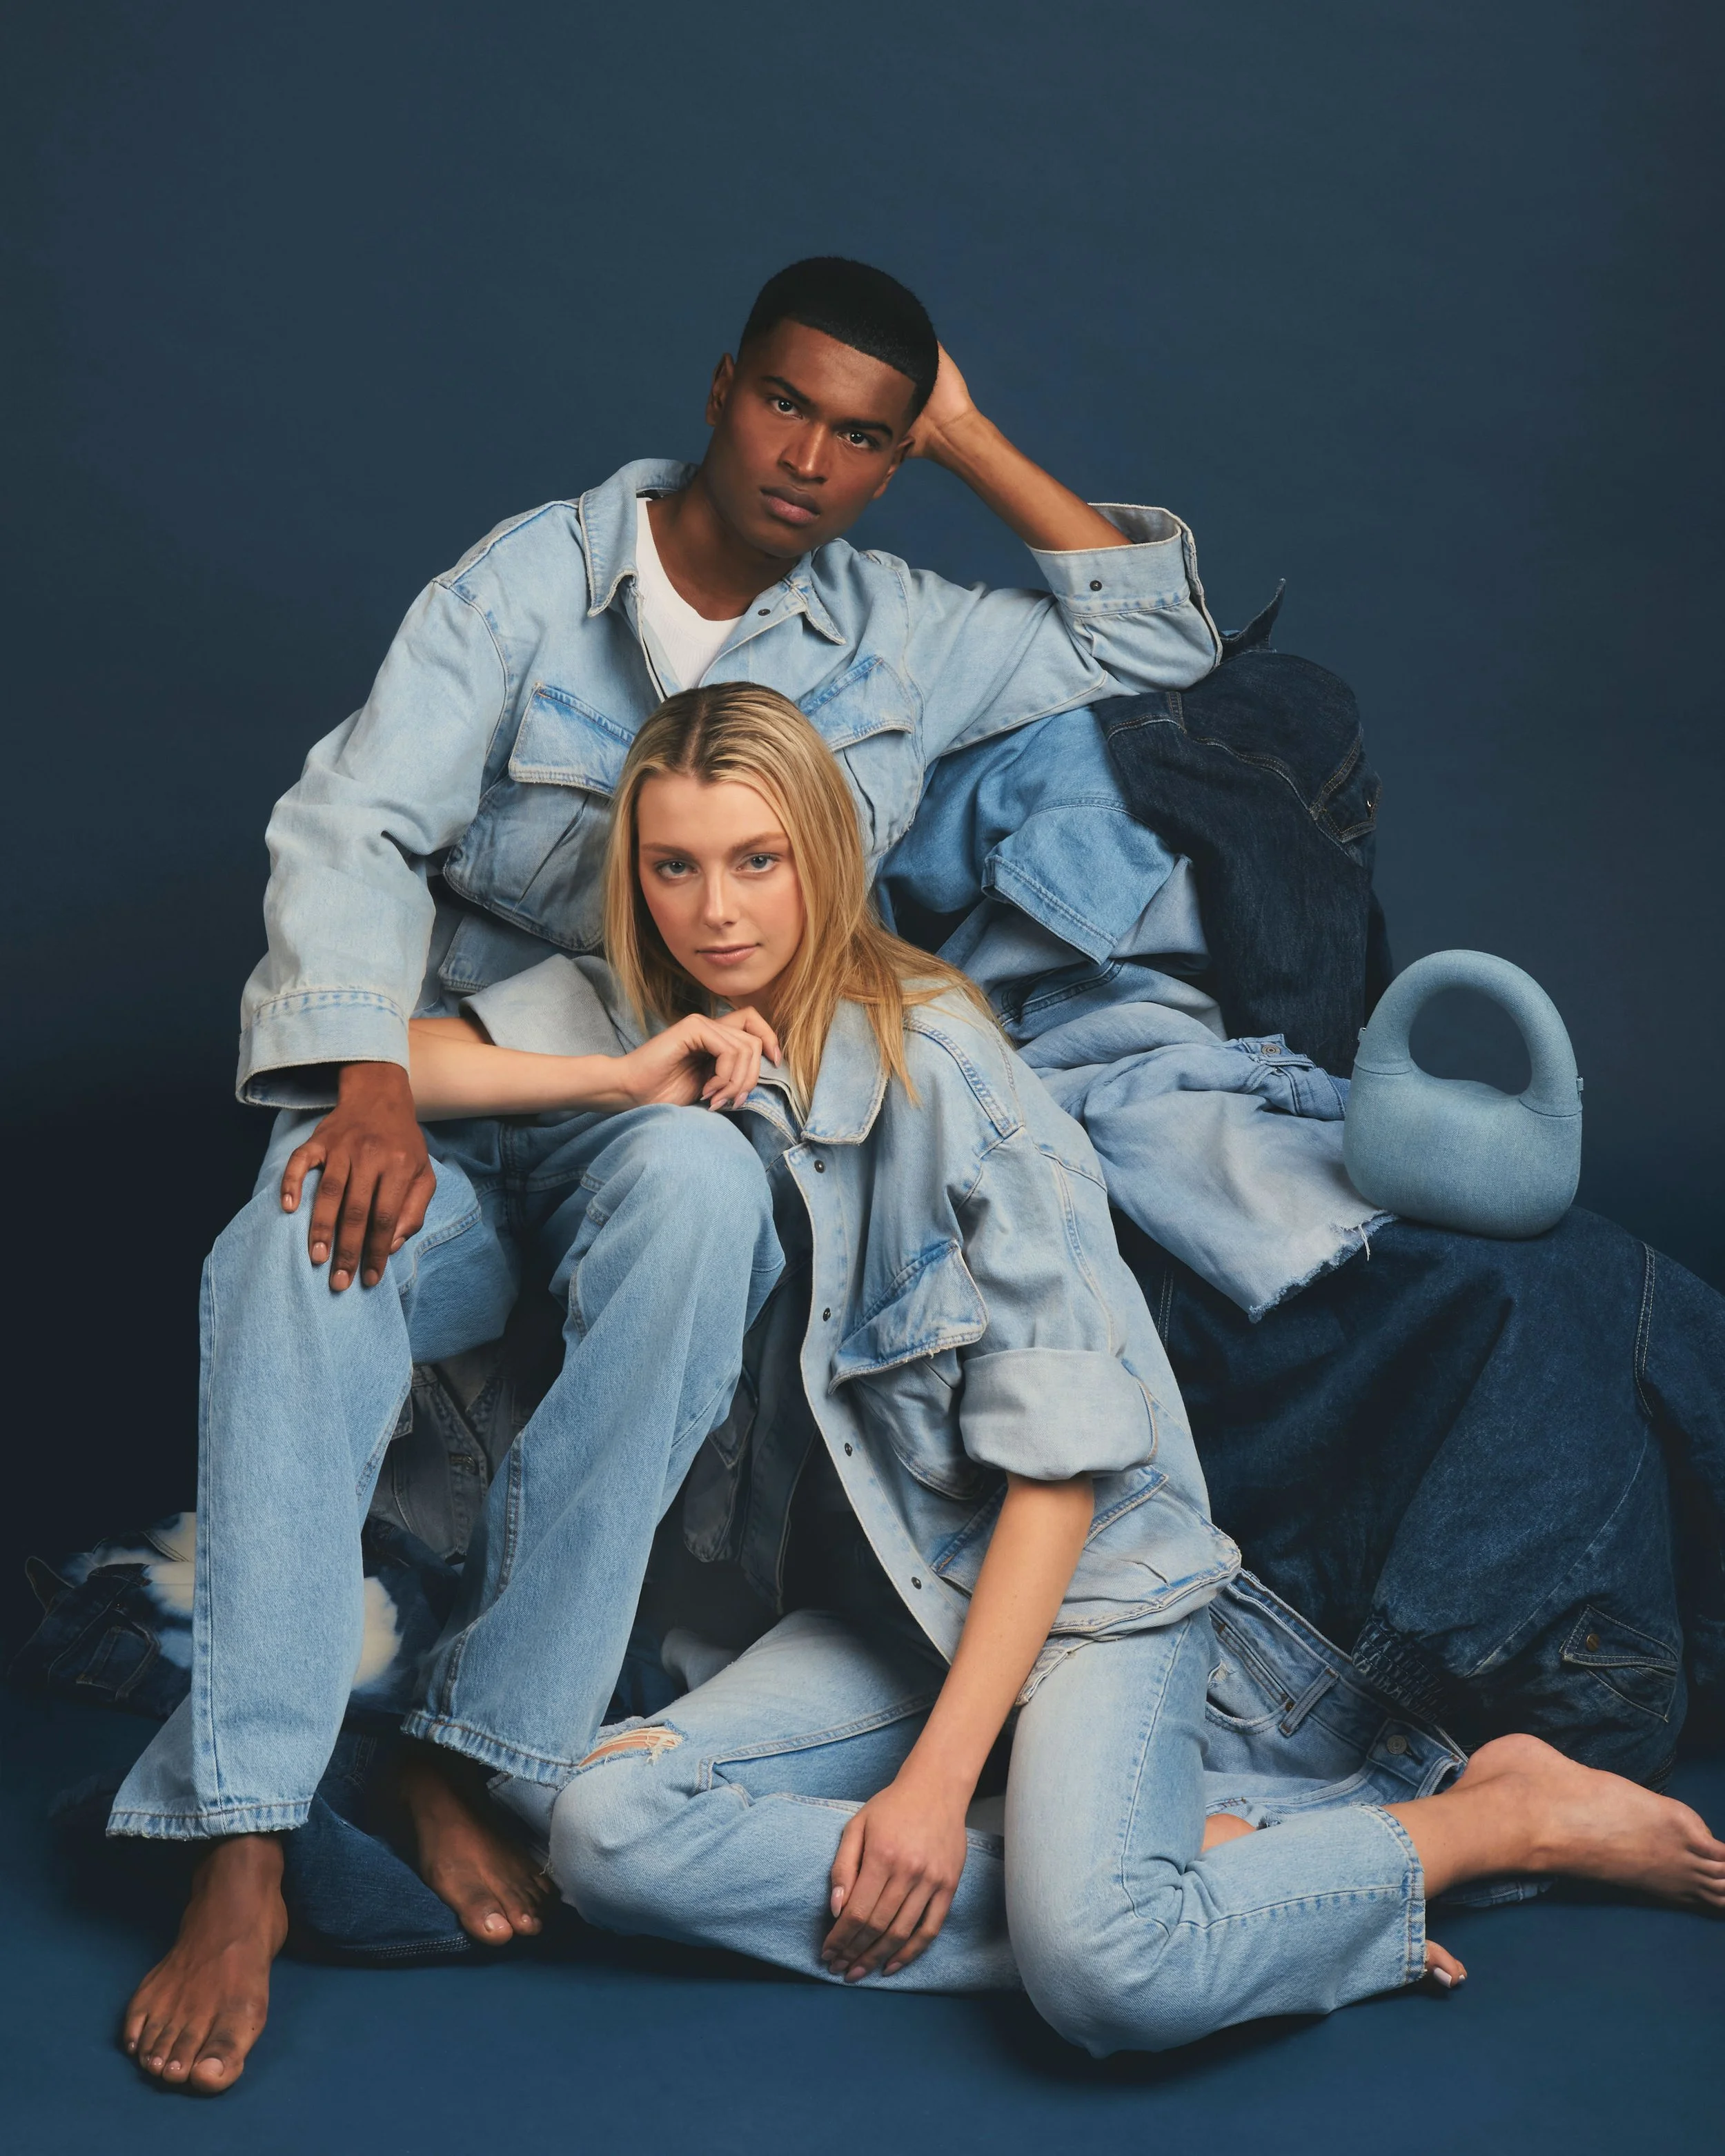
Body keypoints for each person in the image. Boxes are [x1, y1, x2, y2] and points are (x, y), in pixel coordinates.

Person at [113, 255, 1223, 2094]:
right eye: (787, 404)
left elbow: (1156, 641)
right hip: (447, 1073)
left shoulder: (898, 632)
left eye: (862, 436)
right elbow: (352, 822)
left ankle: (476, 1753)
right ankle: (240, 1837)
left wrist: (963, 434)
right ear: (720, 389)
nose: (810, 458)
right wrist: (364, 1077)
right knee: (292, 1253)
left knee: (703, 1198)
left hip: (667, 1103)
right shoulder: (526, 584)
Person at [421, 683, 1725, 2053]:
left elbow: (1062, 1480)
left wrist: (934, 1794)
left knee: (1106, 1980)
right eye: (674, 868)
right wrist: (618, 1076)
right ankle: (1179, 1879)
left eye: (759, 860)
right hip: (891, 1615)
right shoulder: (657, 1033)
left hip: (1084, 1597)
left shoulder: (943, 1069)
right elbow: (372, 1062)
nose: (717, 912)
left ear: (824, 857)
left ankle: (1481, 1824)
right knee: (603, 1827)